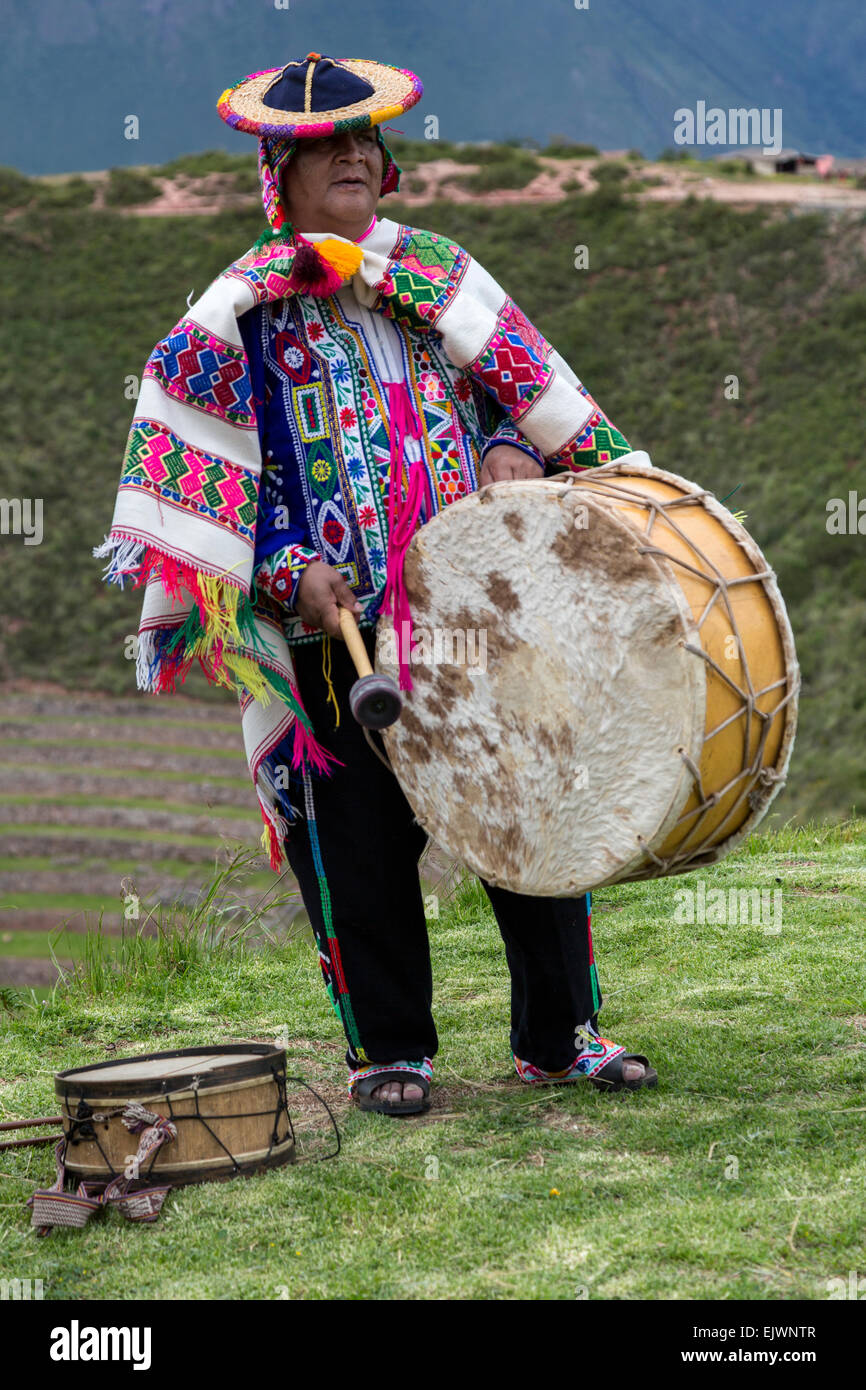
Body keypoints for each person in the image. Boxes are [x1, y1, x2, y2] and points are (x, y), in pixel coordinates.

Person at [97, 52, 657, 1116]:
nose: (353, 155)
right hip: (327, 633)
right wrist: (284, 564)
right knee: (353, 841)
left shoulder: (439, 278)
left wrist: (513, 452)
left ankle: (561, 1033)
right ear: (279, 175)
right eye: (324, 146)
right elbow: (218, 473)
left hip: (468, 620)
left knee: (522, 804)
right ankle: (389, 1050)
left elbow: (523, 395)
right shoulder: (236, 320)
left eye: (366, 142)